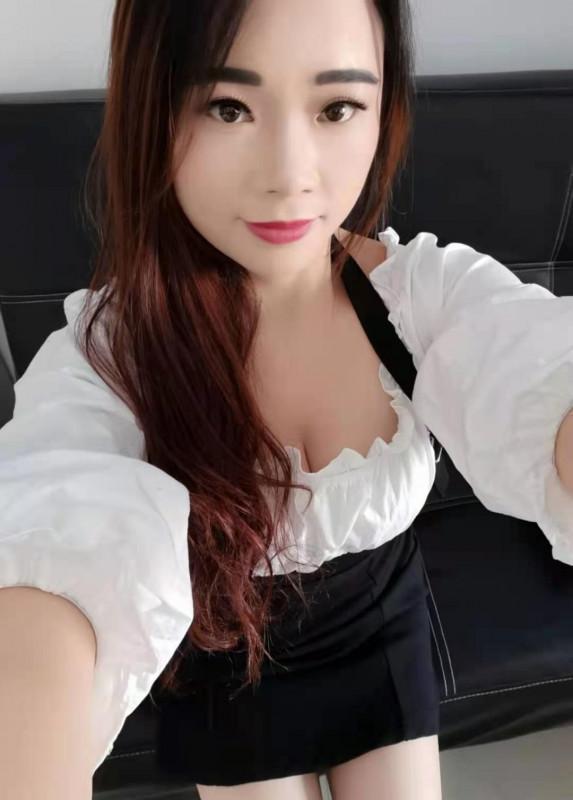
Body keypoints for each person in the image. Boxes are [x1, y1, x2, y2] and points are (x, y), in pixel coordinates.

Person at [1, 0, 573, 798]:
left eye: (336, 107)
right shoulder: (114, 352)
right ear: (152, 110)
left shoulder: (418, 296)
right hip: (227, 667)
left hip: (382, 629)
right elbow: (49, 542)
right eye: (226, 106)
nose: (289, 174)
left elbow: (536, 366)